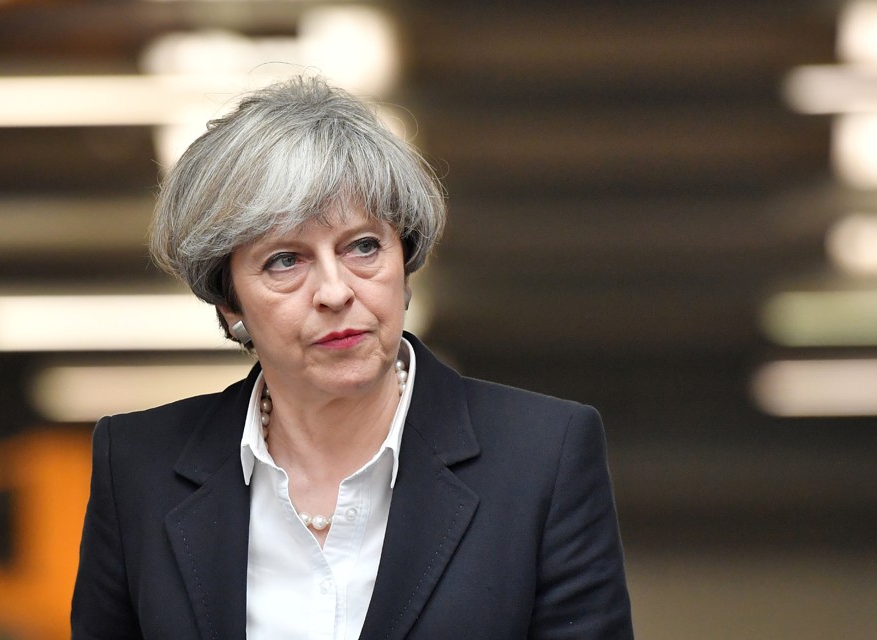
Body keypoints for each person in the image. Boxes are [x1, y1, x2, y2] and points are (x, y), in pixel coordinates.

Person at [71, 75, 633, 639]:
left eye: (363, 246)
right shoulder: (138, 469)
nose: (335, 291)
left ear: (404, 263)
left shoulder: (543, 455)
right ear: (228, 303)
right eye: (284, 261)